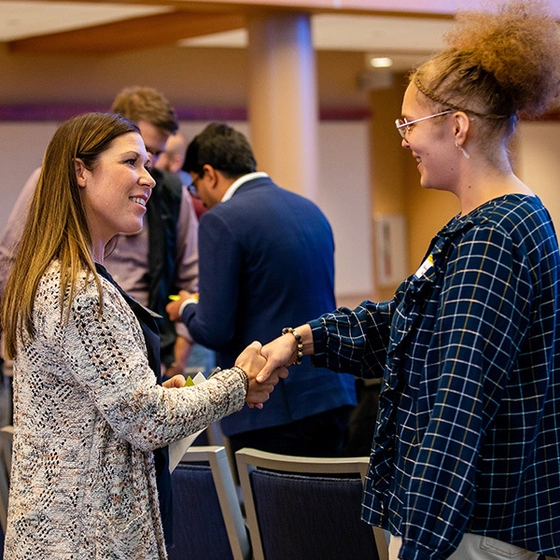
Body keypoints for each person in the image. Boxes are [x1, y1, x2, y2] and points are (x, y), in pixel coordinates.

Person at [257, 1, 560, 559]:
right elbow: (406, 326)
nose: (403, 139)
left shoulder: (495, 237)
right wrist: (301, 341)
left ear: (458, 127)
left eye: (409, 123)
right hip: (467, 526)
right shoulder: (484, 226)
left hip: (473, 530)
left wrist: (417, 544)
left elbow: (455, 410)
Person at [0, 112, 284, 559]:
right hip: (82, 542)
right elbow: (147, 420)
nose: (148, 179)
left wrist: (157, 394)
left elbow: (114, 409)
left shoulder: (62, 277)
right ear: (80, 171)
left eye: (147, 164)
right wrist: (237, 383)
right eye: (131, 162)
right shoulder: (77, 290)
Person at [166, 122, 356, 458]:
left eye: (195, 187)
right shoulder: (309, 209)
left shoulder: (221, 220)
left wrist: (185, 308)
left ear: (208, 174)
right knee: (327, 510)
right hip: (333, 392)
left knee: (276, 512)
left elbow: (216, 329)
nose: (201, 200)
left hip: (273, 406)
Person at [0, 87, 199, 379]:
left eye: (153, 156)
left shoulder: (169, 192)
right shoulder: (75, 289)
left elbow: (191, 276)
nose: (150, 173)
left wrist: (177, 353)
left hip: (143, 345)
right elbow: (11, 261)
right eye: (133, 159)